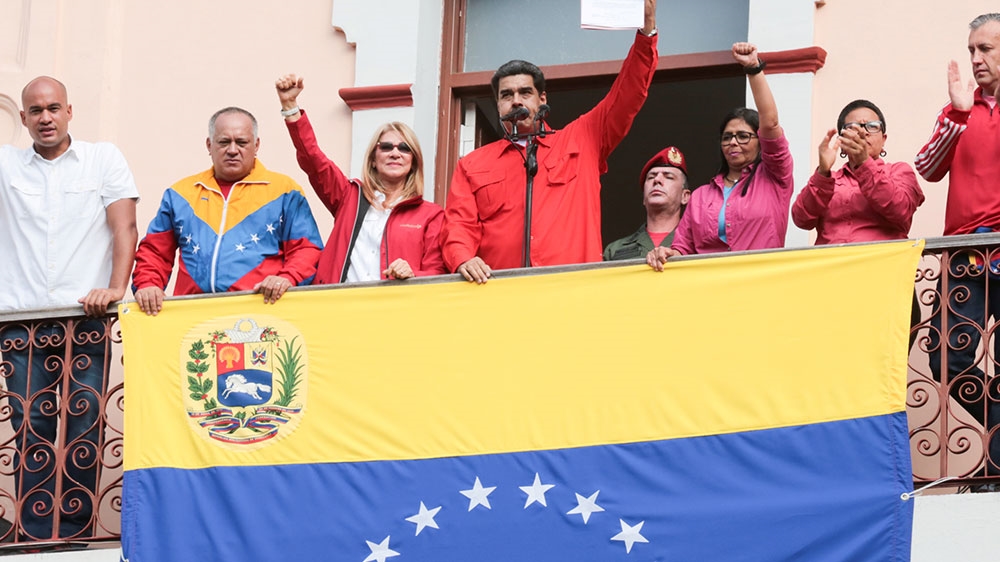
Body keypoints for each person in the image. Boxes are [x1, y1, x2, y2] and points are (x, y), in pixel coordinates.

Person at [0, 76, 138, 539]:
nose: (46, 118)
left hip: (86, 320)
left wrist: (115, 289)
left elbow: (125, 228)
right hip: (21, 324)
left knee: (85, 425)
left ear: (69, 111)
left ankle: (74, 531)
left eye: (54, 108)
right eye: (36, 111)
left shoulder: (103, 159)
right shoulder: (6, 165)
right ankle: (36, 533)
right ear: (23, 118)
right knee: (31, 426)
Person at [440, 0, 658, 283]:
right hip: (500, 294)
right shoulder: (472, 165)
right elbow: (458, 225)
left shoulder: (582, 138)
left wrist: (646, 33)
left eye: (525, 92)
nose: (515, 100)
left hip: (573, 291)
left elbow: (627, 94)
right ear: (498, 105)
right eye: (506, 95)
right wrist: (463, 258)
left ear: (542, 98)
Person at [914, 13, 1000, 477]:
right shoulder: (958, 110)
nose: (975, 59)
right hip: (964, 255)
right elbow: (927, 168)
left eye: (985, 49)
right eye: (971, 50)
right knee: (947, 356)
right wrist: (959, 115)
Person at [132, 107, 323, 315]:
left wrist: (287, 278)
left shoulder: (285, 191)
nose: (232, 150)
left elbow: (307, 248)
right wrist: (148, 284)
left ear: (256, 145)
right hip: (193, 317)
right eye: (224, 142)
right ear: (209, 145)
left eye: (241, 142)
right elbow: (155, 251)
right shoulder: (180, 194)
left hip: (262, 316)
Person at [275, 75, 445, 283]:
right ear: (373, 159)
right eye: (386, 147)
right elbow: (313, 159)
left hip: (395, 302)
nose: (395, 153)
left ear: (414, 162)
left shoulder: (431, 215)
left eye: (404, 148)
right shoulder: (349, 198)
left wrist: (412, 274)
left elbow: (438, 273)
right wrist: (290, 107)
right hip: (340, 300)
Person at [647, 42, 793, 271]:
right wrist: (667, 253)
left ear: (760, 141)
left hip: (760, 281)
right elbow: (683, 249)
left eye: (743, 136)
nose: (733, 142)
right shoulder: (700, 196)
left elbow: (771, 123)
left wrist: (753, 69)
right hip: (709, 285)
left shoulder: (774, 178)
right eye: (727, 137)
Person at [792, 99, 924, 244]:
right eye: (853, 127)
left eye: (872, 126)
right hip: (832, 258)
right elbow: (801, 220)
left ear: (883, 140)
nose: (864, 132)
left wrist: (864, 163)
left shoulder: (899, 171)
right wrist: (822, 173)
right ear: (841, 142)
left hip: (884, 257)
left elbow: (901, 210)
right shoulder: (828, 179)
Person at [604, 146, 690, 261]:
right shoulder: (615, 249)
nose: (657, 180)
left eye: (668, 177)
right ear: (644, 198)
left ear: (685, 196)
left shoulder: (695, 245)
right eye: (651, 177)